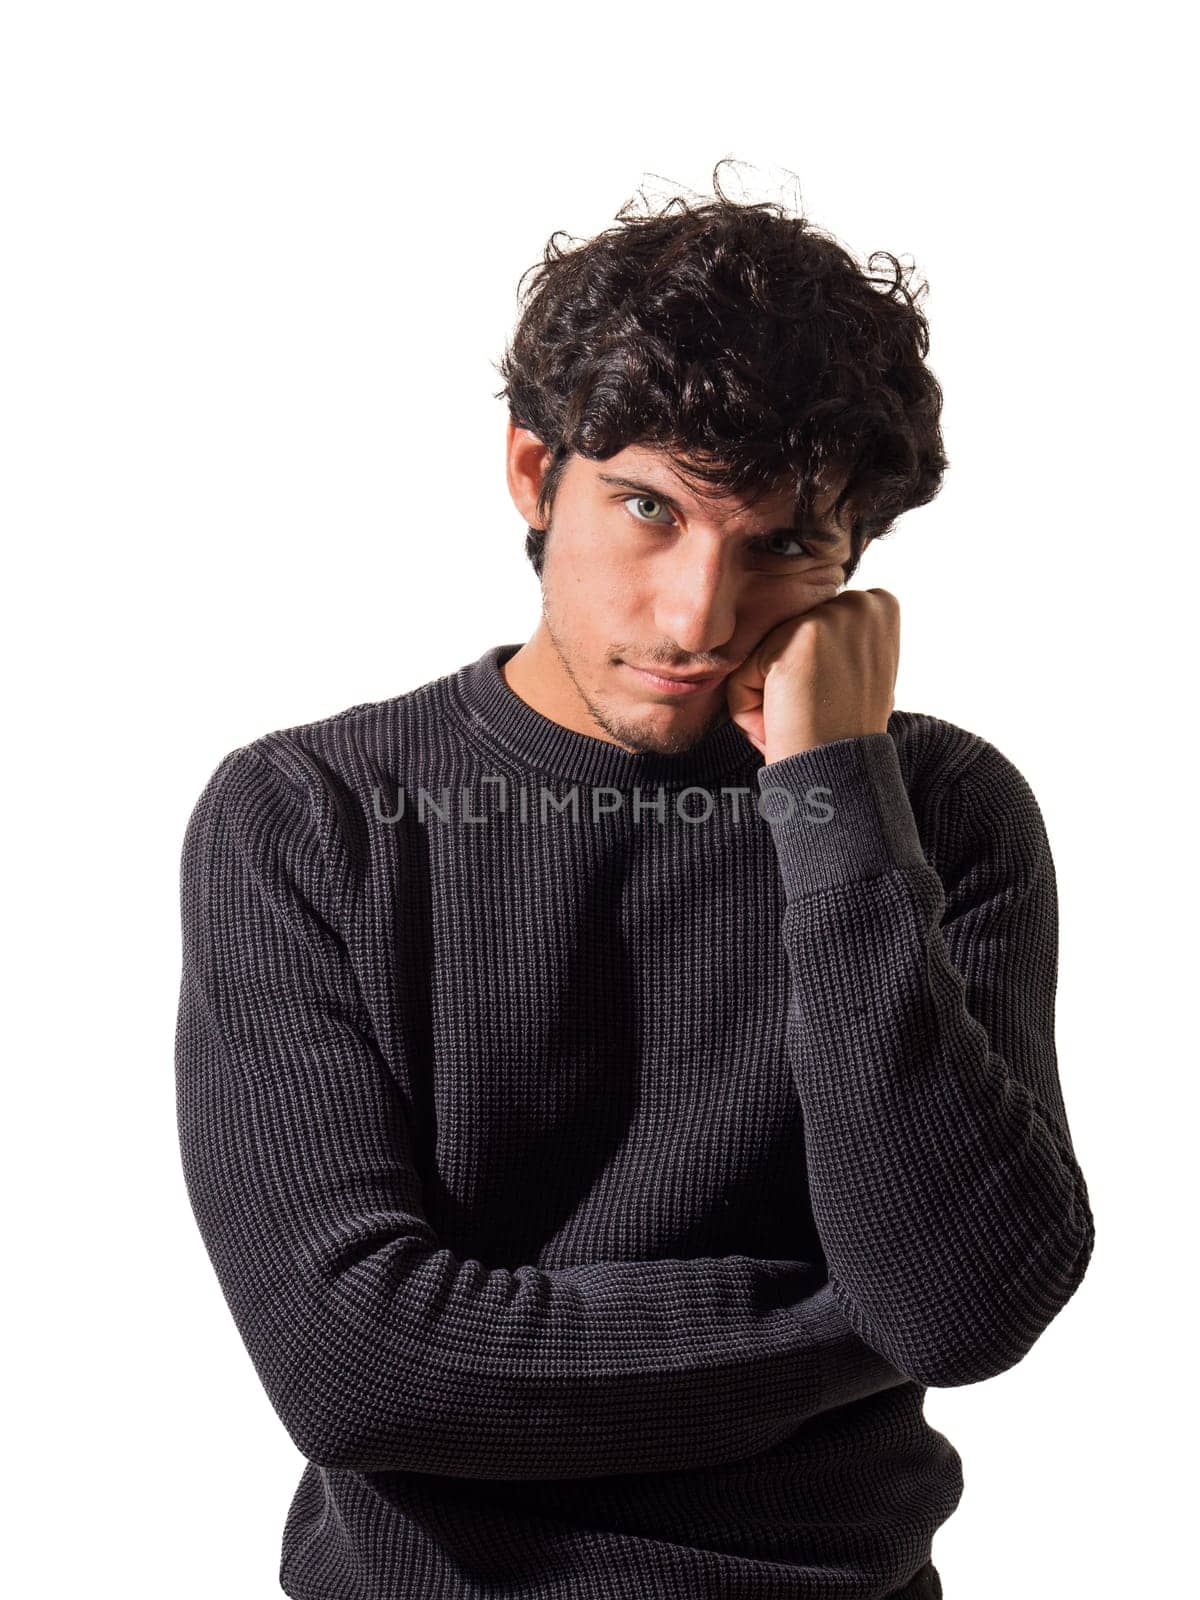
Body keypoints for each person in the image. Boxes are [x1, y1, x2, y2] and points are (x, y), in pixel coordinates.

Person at [175, 163, 1094, 1599]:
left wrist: (833, 798)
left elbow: (963, 1311)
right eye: (653, 509)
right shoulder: (311, 817)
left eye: (783, 542)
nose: (700, 614)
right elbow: (355, 1368)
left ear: (854, 562)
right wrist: (842, 1323)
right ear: (536, 474)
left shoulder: (942, 811)